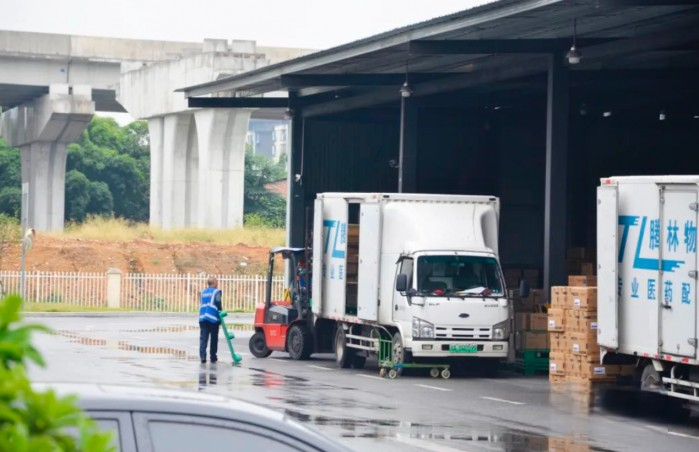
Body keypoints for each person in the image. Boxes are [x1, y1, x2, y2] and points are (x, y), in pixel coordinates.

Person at [199, 276, 222, 364]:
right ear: (215, 283)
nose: (218, 283)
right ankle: (213, 357)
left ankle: (203, 357)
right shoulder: (216, 292)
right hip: (212, 318)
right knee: (214, 339)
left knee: (203, 338)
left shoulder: (202, 292)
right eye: (217, 282)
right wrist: (220, 315)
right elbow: (218, 303)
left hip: (202, 318)